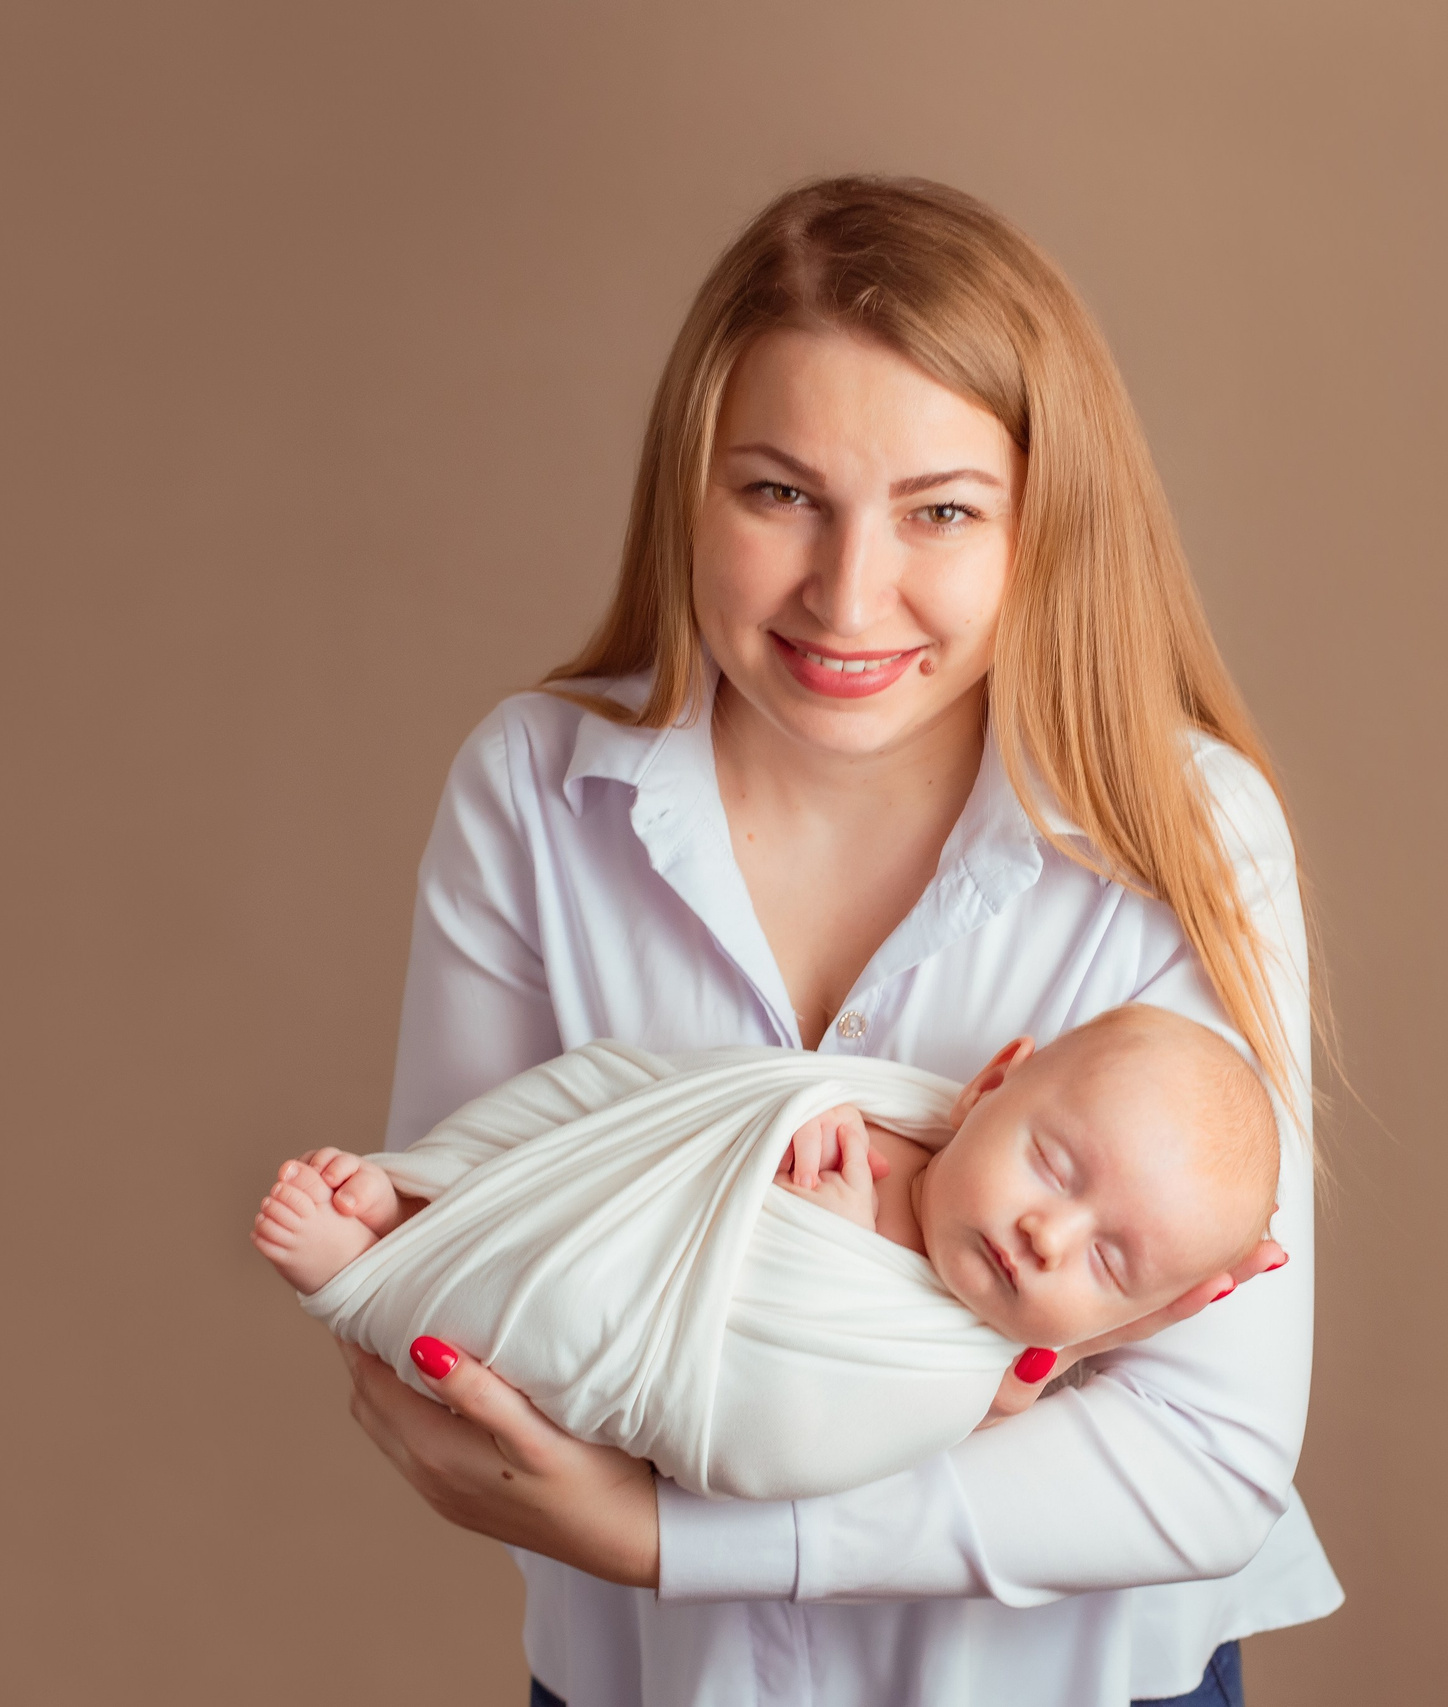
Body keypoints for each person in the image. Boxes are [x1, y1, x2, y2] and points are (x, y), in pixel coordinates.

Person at [338, 174, 1340, 1707]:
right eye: (779, 493)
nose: (847, 592)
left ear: (1041, 522)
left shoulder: (1184, 827)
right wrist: (988, 1386)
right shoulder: (534, 793)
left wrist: (667, 1524)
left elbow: (1203, 1460)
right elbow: (449, 1285)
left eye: (940, 510)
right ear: (691, 486)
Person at [253, 1007, 1286, 1501]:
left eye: (1108, 1267)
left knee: (568, 1315)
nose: (1047, 1235)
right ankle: (433, 1188)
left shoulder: (941, 1372)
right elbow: (670, 1113)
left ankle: (364, 1273)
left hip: (653, 1342)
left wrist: (820, 1244)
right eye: (1052, 1167)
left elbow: (782, 1439)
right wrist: (778, 1113)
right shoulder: (885, 1107)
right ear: (988, 1086)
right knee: (601, 1091)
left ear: (1121, 1324)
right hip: (614, 1174)